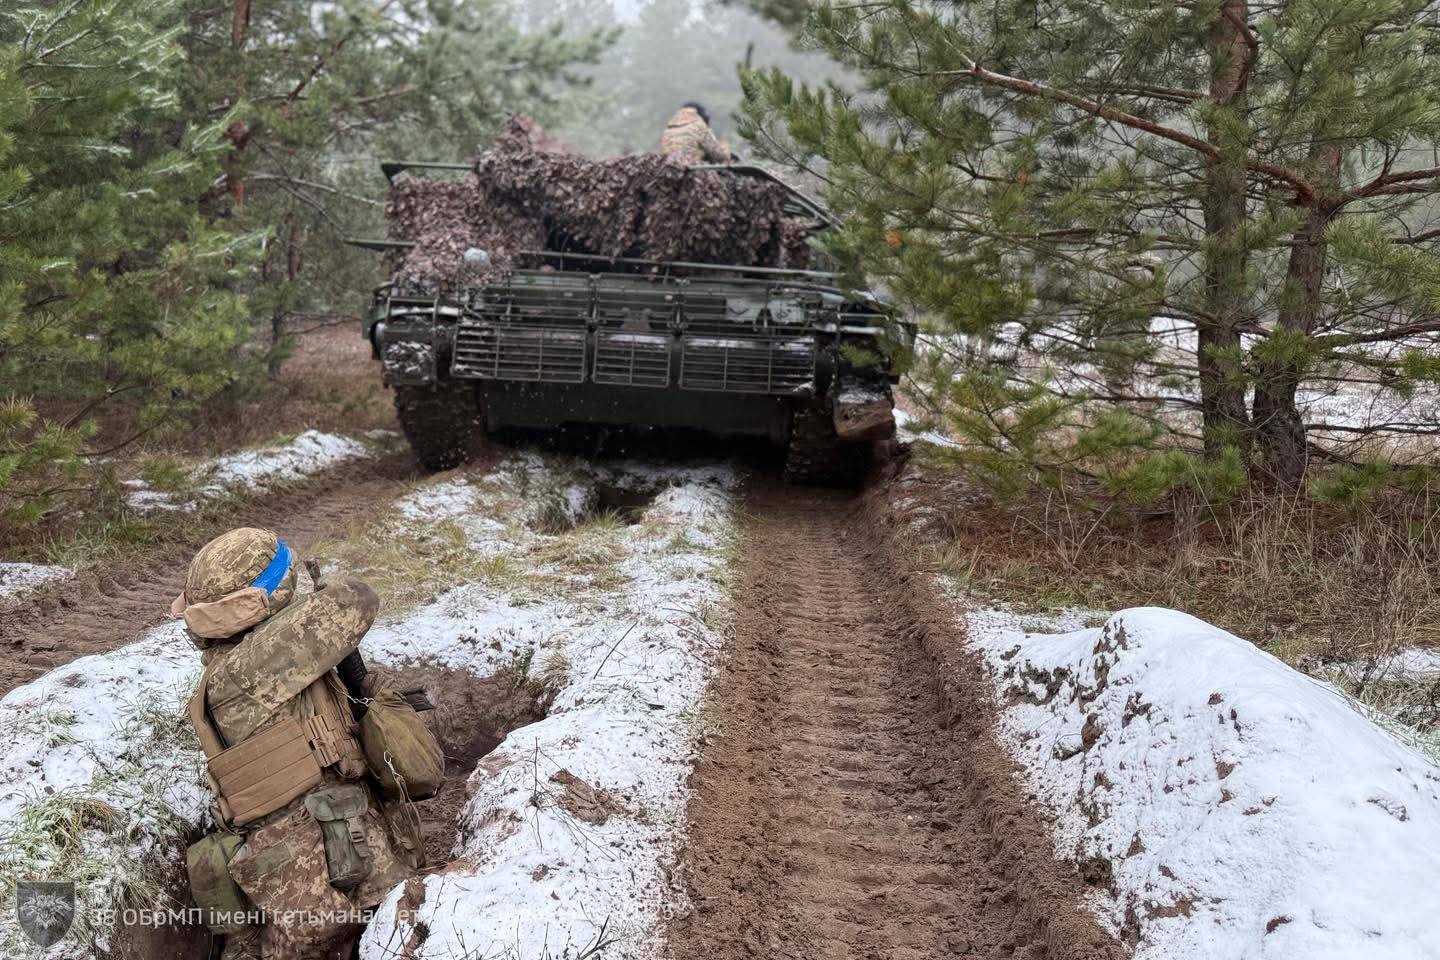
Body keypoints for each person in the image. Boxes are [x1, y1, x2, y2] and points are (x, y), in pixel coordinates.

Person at [173, 528, 429, 959]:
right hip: (311, 879)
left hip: (322, 851)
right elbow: (356, 600)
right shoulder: (250, 666)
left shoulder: (243, 662)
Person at [659, 100, 733, 164]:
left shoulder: (669, 129)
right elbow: (717, 154)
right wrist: (726, 151)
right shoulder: (699, 125)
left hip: (668, 168)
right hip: (690, 168)